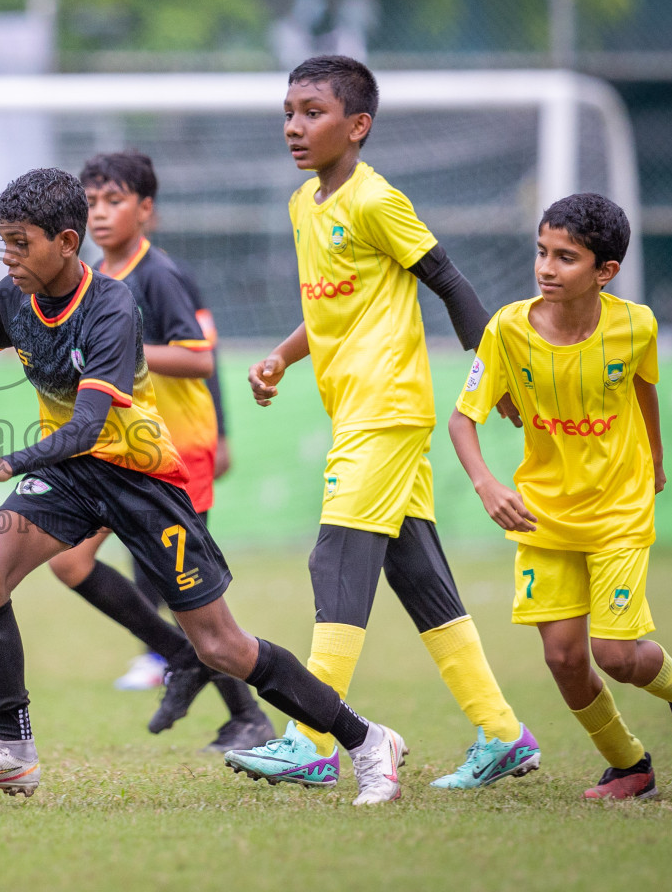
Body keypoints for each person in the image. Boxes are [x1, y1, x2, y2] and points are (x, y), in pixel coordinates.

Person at [0, 167, 408, 805]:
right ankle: (12, 750)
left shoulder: (112, 305)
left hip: (139, 479)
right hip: (70, 476)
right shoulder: (11, 297)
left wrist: (7, 463)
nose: (8, 257)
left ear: (66, 243)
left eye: (21, 243)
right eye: (3, 242)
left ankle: (368, 740)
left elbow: (89, 426)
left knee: (222, 646)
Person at [231, 55, 538, 791]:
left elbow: (450, 282)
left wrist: (492, 375)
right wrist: (281, 355)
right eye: (290, 111)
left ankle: (311, 738)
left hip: (389, 409)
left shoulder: (377, 201)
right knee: (419, 577)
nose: (294, 126)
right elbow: (328, 306)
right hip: (356, 412)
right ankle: (502, 733)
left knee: (331, 559)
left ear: (357, 126)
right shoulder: (305, 206)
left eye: (313, 112)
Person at [450, 193, 672, 799]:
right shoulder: (507, 330)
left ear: (605, 271)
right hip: (542, 513)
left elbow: (643, 387)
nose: (547, 268)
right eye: (542, 252)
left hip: (618, 509)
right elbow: (462, 420)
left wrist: (654, 456)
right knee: (565, 660)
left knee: (617, 655)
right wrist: (487, 483)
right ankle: (629, 765)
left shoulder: (637, 325)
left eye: (566, 257)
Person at [41, 151, 275, 753]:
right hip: (118, 450)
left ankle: (248, 717)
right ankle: (178, 657)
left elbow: (199, 355)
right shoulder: (92, 275)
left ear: (146, 209)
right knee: (69, 561)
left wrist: (125, 350)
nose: (100, 213)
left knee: (186, 593)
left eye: (114, 201)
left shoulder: (159, 274)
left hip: (174, 453)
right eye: (91, 202)